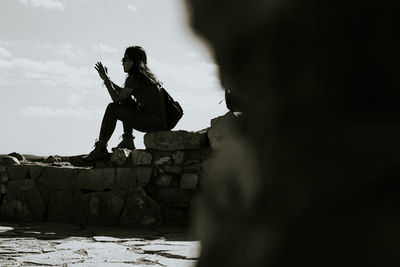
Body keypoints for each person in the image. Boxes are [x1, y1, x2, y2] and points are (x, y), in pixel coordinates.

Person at [85, 46, 167, 161]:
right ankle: (128, 140)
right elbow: (123, 95)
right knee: (126, 100)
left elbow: (116, 99)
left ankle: (101, 147)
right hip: (157, 122)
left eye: (125, 59)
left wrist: (106, 81)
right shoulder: (143, 76)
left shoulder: (135, 78)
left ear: (133, 61)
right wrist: (108, 80)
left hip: (151, 122)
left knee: (112, 108)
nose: (122, 62)